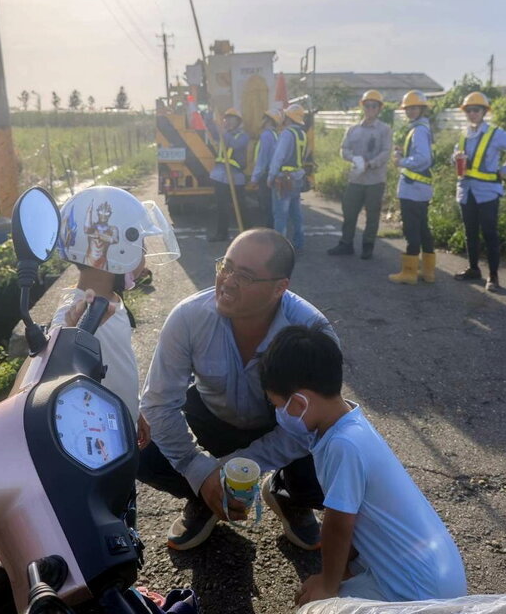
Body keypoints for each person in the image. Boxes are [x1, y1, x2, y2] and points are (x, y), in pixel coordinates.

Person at [138, 228, 338, 551]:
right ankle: (204, 496)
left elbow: (308, 425)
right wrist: (200, 471)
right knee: (135, 445)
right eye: (226, 267)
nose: (227, 281)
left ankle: (289, 494)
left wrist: (235, 466)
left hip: (281, 429)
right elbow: (158, 405)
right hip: (213, 423)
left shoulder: (311, 332)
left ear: (279, 288)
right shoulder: (188, 318)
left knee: (337, 446)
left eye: (244, 275)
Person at [259, 325, 468, 605]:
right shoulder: (349, 424)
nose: (278, 414)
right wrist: (341, 572)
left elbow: (339, 525)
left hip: (420, 591)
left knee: (314, 607)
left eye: (278, 405)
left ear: (299, 402)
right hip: (434, 572)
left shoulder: (342, 445)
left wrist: (328, 585)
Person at [53, 186, 180, 438]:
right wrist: (69, 333)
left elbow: (119, 368)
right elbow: (53, 373)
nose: (145, 258)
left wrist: (134, 411)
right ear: (118, 250)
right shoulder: (74, 315)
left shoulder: (111, 301)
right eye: (142, 247)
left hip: (122, 420)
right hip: (101, 436)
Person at [453, 92, 506, 292]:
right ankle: (474, 269)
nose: (472, 113)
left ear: (484, 111)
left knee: (490, 233)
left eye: (476, 110)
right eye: (469, 110)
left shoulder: (495, 134)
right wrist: (456, 157)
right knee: (470, 232)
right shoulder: (463, 134)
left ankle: (493, 277)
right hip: (466, 191)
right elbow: (455, 155)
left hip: (488, 192)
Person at [327, 90, 392, 260]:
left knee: (372, 215)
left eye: (374, 106)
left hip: (375, 180)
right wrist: (354, 159)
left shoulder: (384, 130)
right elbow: (344, 149)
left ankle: (367, 246)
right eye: (367, 105)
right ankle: (346, 243)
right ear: (362, 107)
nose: (370, 108)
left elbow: (386, 152)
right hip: (355, 179)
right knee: (349, 212)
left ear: (379, 109)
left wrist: (371, 163)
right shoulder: (353, 129)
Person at [389, 90, 436, 284]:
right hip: (420, 189)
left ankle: (409, 273)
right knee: (423, 229)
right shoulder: (422, 128)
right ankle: (428, 272)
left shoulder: (419, 130)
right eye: (408, 108)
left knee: (412, 230)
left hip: (413, 190)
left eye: (414, 108)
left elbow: (423, 159)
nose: (410, 111)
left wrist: (401, 161)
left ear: (422, 109)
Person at [267, 104, 308, 251]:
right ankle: (299, 244)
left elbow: (278, 156)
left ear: (288, 118)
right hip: (297, 178)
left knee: (280, 215)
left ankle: (280, 249)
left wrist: (271, 176)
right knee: (296, 213)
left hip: (284, 179)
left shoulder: (287, 134)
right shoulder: (302, 134)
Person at [207, 108, 250, 242]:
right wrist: (211, 119)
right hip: (220, 175)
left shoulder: (242, 136)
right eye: (227, 119)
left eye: (232, 119)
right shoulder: (223, 134)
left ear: (238, 121)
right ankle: (222, 234)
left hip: (235, 177)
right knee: (222, 207)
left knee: (241, 206)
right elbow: (212, 130)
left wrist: (223, 131)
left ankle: (248, 233)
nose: (228, 121)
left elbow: (234, 144)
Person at [250, 109, 282, 228]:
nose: (262, 121)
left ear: (268, 120)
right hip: (273, 173)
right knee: (273, 205)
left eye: (264, 118)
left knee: (267, 204)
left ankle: (270, 231)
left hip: (266, 174)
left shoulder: (266, 135)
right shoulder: (275, 134)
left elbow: (262, 159)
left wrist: (255, 177)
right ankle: (273, 229)